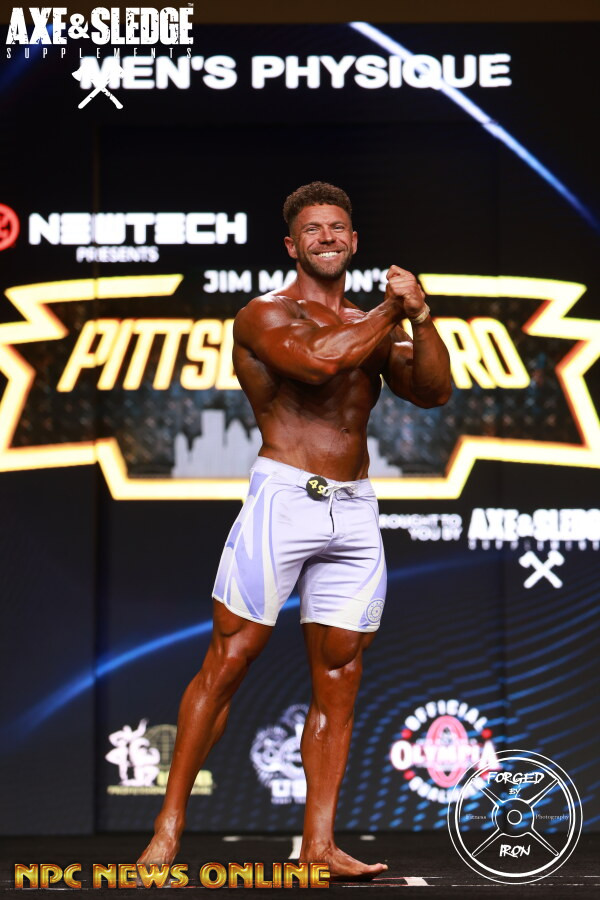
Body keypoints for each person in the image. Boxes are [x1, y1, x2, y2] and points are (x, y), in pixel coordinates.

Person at [138, 181, 452, 879]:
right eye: (314, 229)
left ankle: (319, 844)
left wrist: (423, 318)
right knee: (230, 658)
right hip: (284, 497)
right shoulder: (263, 314)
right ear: (292, 245)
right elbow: (319, 362)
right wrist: (392, 310)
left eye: (338, 227)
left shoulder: (372, 324)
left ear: (354, 240)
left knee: (340, 671)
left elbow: (433, 391)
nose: (327, 237)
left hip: (355, 506)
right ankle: (168, 826)